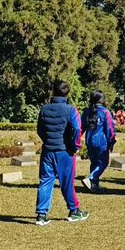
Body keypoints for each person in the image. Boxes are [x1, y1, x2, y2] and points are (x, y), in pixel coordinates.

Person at [35, 81, 88, 225]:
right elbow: (77, 129)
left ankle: (41, 214)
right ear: (67, 93)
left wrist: (48, 140)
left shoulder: (44, 109)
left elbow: (39, 129)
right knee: (67, 182)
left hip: (47, 150)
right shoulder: (71, 110)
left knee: (45, 181)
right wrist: (75, 145)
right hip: (65, 151)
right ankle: (74, 210)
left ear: (53, 91)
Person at [80, 91, 116, 192]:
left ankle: (94, 185)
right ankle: (91, 178)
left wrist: (77, 139)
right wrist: (112, 140)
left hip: (89, 140)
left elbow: (81, 127)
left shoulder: (87, 111)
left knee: (94, 162)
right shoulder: (105, 112)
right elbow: (110, 128)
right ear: (102, 99)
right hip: (101, 140)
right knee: (103, 162)